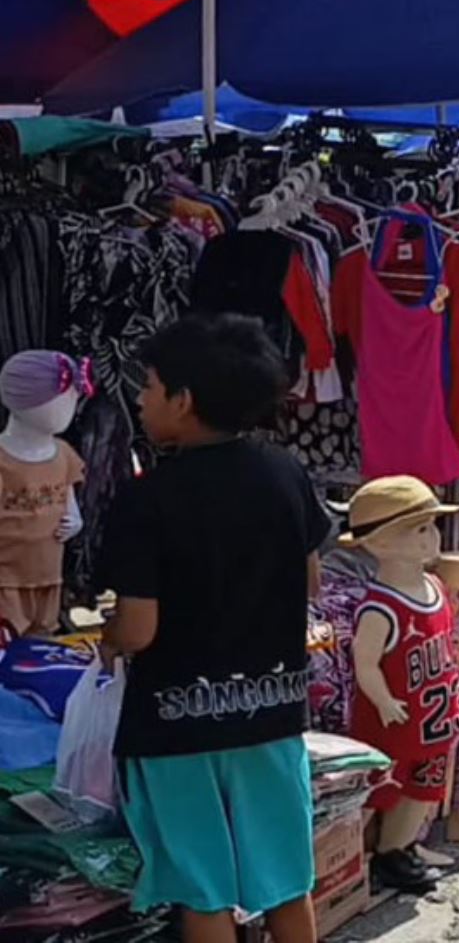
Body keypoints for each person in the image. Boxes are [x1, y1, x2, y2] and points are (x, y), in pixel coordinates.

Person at [101, 314, 328, 943]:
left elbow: (139, 629)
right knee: (285, 878)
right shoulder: (286, 473)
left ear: (184, 400)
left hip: (177, 725)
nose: (141, 400)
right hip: (273, 712)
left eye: (149, 386)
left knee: (203, 890)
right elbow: (310, 580)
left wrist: (110, 639)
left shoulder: (147, 499)